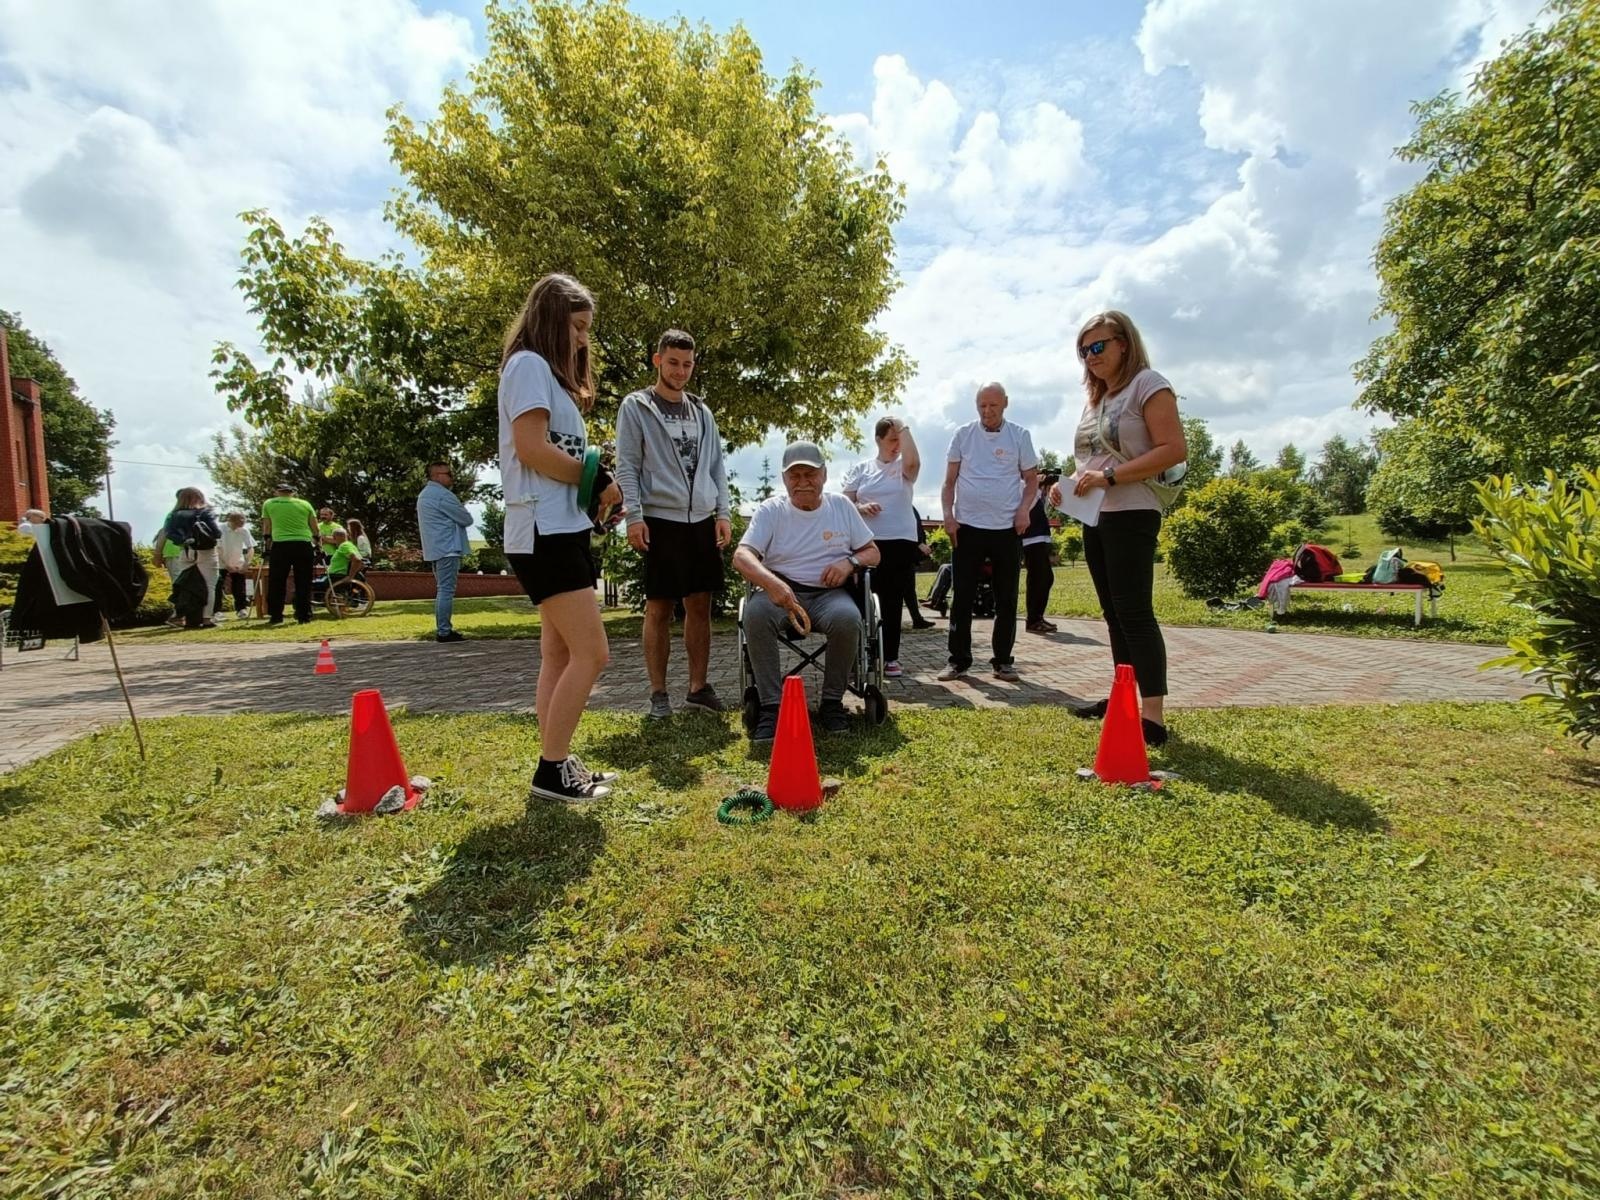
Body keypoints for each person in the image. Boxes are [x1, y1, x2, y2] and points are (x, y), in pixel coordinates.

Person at [500, 272, 623, 802]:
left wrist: (593, 497)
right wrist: (596, 480)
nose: (582, 340)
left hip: (560, 528)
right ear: (551, 320)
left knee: (557, 655)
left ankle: (556, 760)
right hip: (541, 532)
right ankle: (552, 770)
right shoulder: (527, 365)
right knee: (592, 654)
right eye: (576, 327)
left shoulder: (548, 378)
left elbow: (558, 459)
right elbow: (531, 448)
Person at [1049, 310, 1186, 746]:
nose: (1090, 357)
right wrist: (1066, 488)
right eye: (1083, 351)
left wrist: (1109, 478)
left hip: (1133, 511)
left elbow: (1173, 449)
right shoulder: (1096, 401)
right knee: (1112, 613)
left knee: (1135, 611)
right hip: (1097, 516)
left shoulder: (1149, 385)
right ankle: (1122, 697)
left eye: (1098, 346)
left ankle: (1153, 716)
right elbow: (1089, 462)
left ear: (1123, 342)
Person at [614, 329, 733, 719]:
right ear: (657, 361)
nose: (680, 372)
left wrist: (723, 512)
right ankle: (658, 693)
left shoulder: (702, 412)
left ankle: (698, 688)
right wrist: (634, 515)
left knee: (700, 605)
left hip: (700, 519)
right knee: (659, 607)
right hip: (659, 519)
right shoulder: (637, 406)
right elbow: (627, 465)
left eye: (687, 364)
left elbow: (717, 466)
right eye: (673, 363)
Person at [733, 441, 881, 740]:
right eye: (795, 476)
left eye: (810, 474)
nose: (802, 482)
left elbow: (873, 553)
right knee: (756, 615)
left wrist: (849, 562)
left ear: (824, 475)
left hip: (829, 594)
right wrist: (772, 584)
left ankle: (831, 703)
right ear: (785, 479)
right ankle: (771, 708)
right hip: (781, 594)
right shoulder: (771, 510)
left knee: (847, 620)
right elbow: (741, 556)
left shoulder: (841, 506)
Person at [938, 383, 1039, 682]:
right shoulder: (963, 435)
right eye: (982, 405)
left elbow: (1031, 481)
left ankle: (1003, 661)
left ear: (1005, 403)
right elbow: (948, 483)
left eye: (993, 405)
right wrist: (948, 516)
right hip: (967, 527)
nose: (987, 411)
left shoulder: (1020, 436)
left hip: (1006, 528)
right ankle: (958, 660)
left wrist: (1024, 511)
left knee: (1006, 597)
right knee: (963, 597)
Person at [842, 416, 920, 678]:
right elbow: (845, 503)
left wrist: (903, 426)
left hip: (900, 541)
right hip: (867, 543)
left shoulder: (903, 468)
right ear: (878, 440)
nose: (897, 445)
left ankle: (890, 657)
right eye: (892, 440)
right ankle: (859, 654)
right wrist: (861, 507)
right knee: (861, 597)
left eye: (900, 439)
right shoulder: (862, 469)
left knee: (892, 600)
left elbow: (913, 463)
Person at [416, 462, 474, 643]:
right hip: (448, 548)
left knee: (442, 589)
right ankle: (444, 631)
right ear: (438, 475)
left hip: (435, 549)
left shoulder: (424, 495)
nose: (452, 477)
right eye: (449, 474)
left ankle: (443, 629)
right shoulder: (443, 496)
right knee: (446, 591)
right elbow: (466, 519)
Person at [154, 487, 223, 629]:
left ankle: (189, 618)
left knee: (187, 585)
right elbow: (217, 533)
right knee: (209, 585)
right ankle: (206, 619)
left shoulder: (175, 515)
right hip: (206, 551)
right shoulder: (204, 512)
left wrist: (183, 540)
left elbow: (168, 534)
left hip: (185, 551)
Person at [261, 481, 318, 625]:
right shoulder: (305, 504)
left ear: (277, 491)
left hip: (281, 545)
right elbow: (314, 527)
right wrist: (318, 544)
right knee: (303, 581)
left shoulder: (269, 503)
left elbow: (267, 527)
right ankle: (304, 615)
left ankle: (276, 616)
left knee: (277, 581)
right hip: (303, 544)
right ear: (292, 492)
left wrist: (267, 546)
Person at [1022, 478, 1059, 634]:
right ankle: (1033, 619)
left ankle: (1036, 617)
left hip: (1039, 537)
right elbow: (1025, 506)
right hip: (1031, 538)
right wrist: (1036, 486)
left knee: (1042, 577)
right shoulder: (1022, 486)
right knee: (1041, 577)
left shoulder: (1033, 489)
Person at [217, 512, 255, 619]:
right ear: (231, 520)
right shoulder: (220, 529)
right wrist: (227, 564)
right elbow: (218, 549)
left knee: (239, 587)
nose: (242, 523)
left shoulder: (244, 530)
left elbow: (250, 548)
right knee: (218, 586)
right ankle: (217, 611)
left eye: (243, 520)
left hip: (238, 562)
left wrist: (246, 563)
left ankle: (241, 609)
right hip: (221, 562)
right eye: (239, 520)